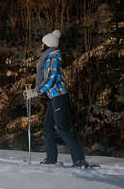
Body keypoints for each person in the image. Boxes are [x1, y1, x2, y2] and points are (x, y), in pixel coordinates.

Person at [35, 30, 89, 167]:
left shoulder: (53, 56)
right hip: (54, 97)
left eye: (42, 44)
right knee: (47, 127)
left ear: (47, 45)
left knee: (61, 128)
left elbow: (51, 78)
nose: (40, 46)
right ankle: (51, 158)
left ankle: (79, 159)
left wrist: (37, 92)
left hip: (59, 96)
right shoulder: (47, 57)